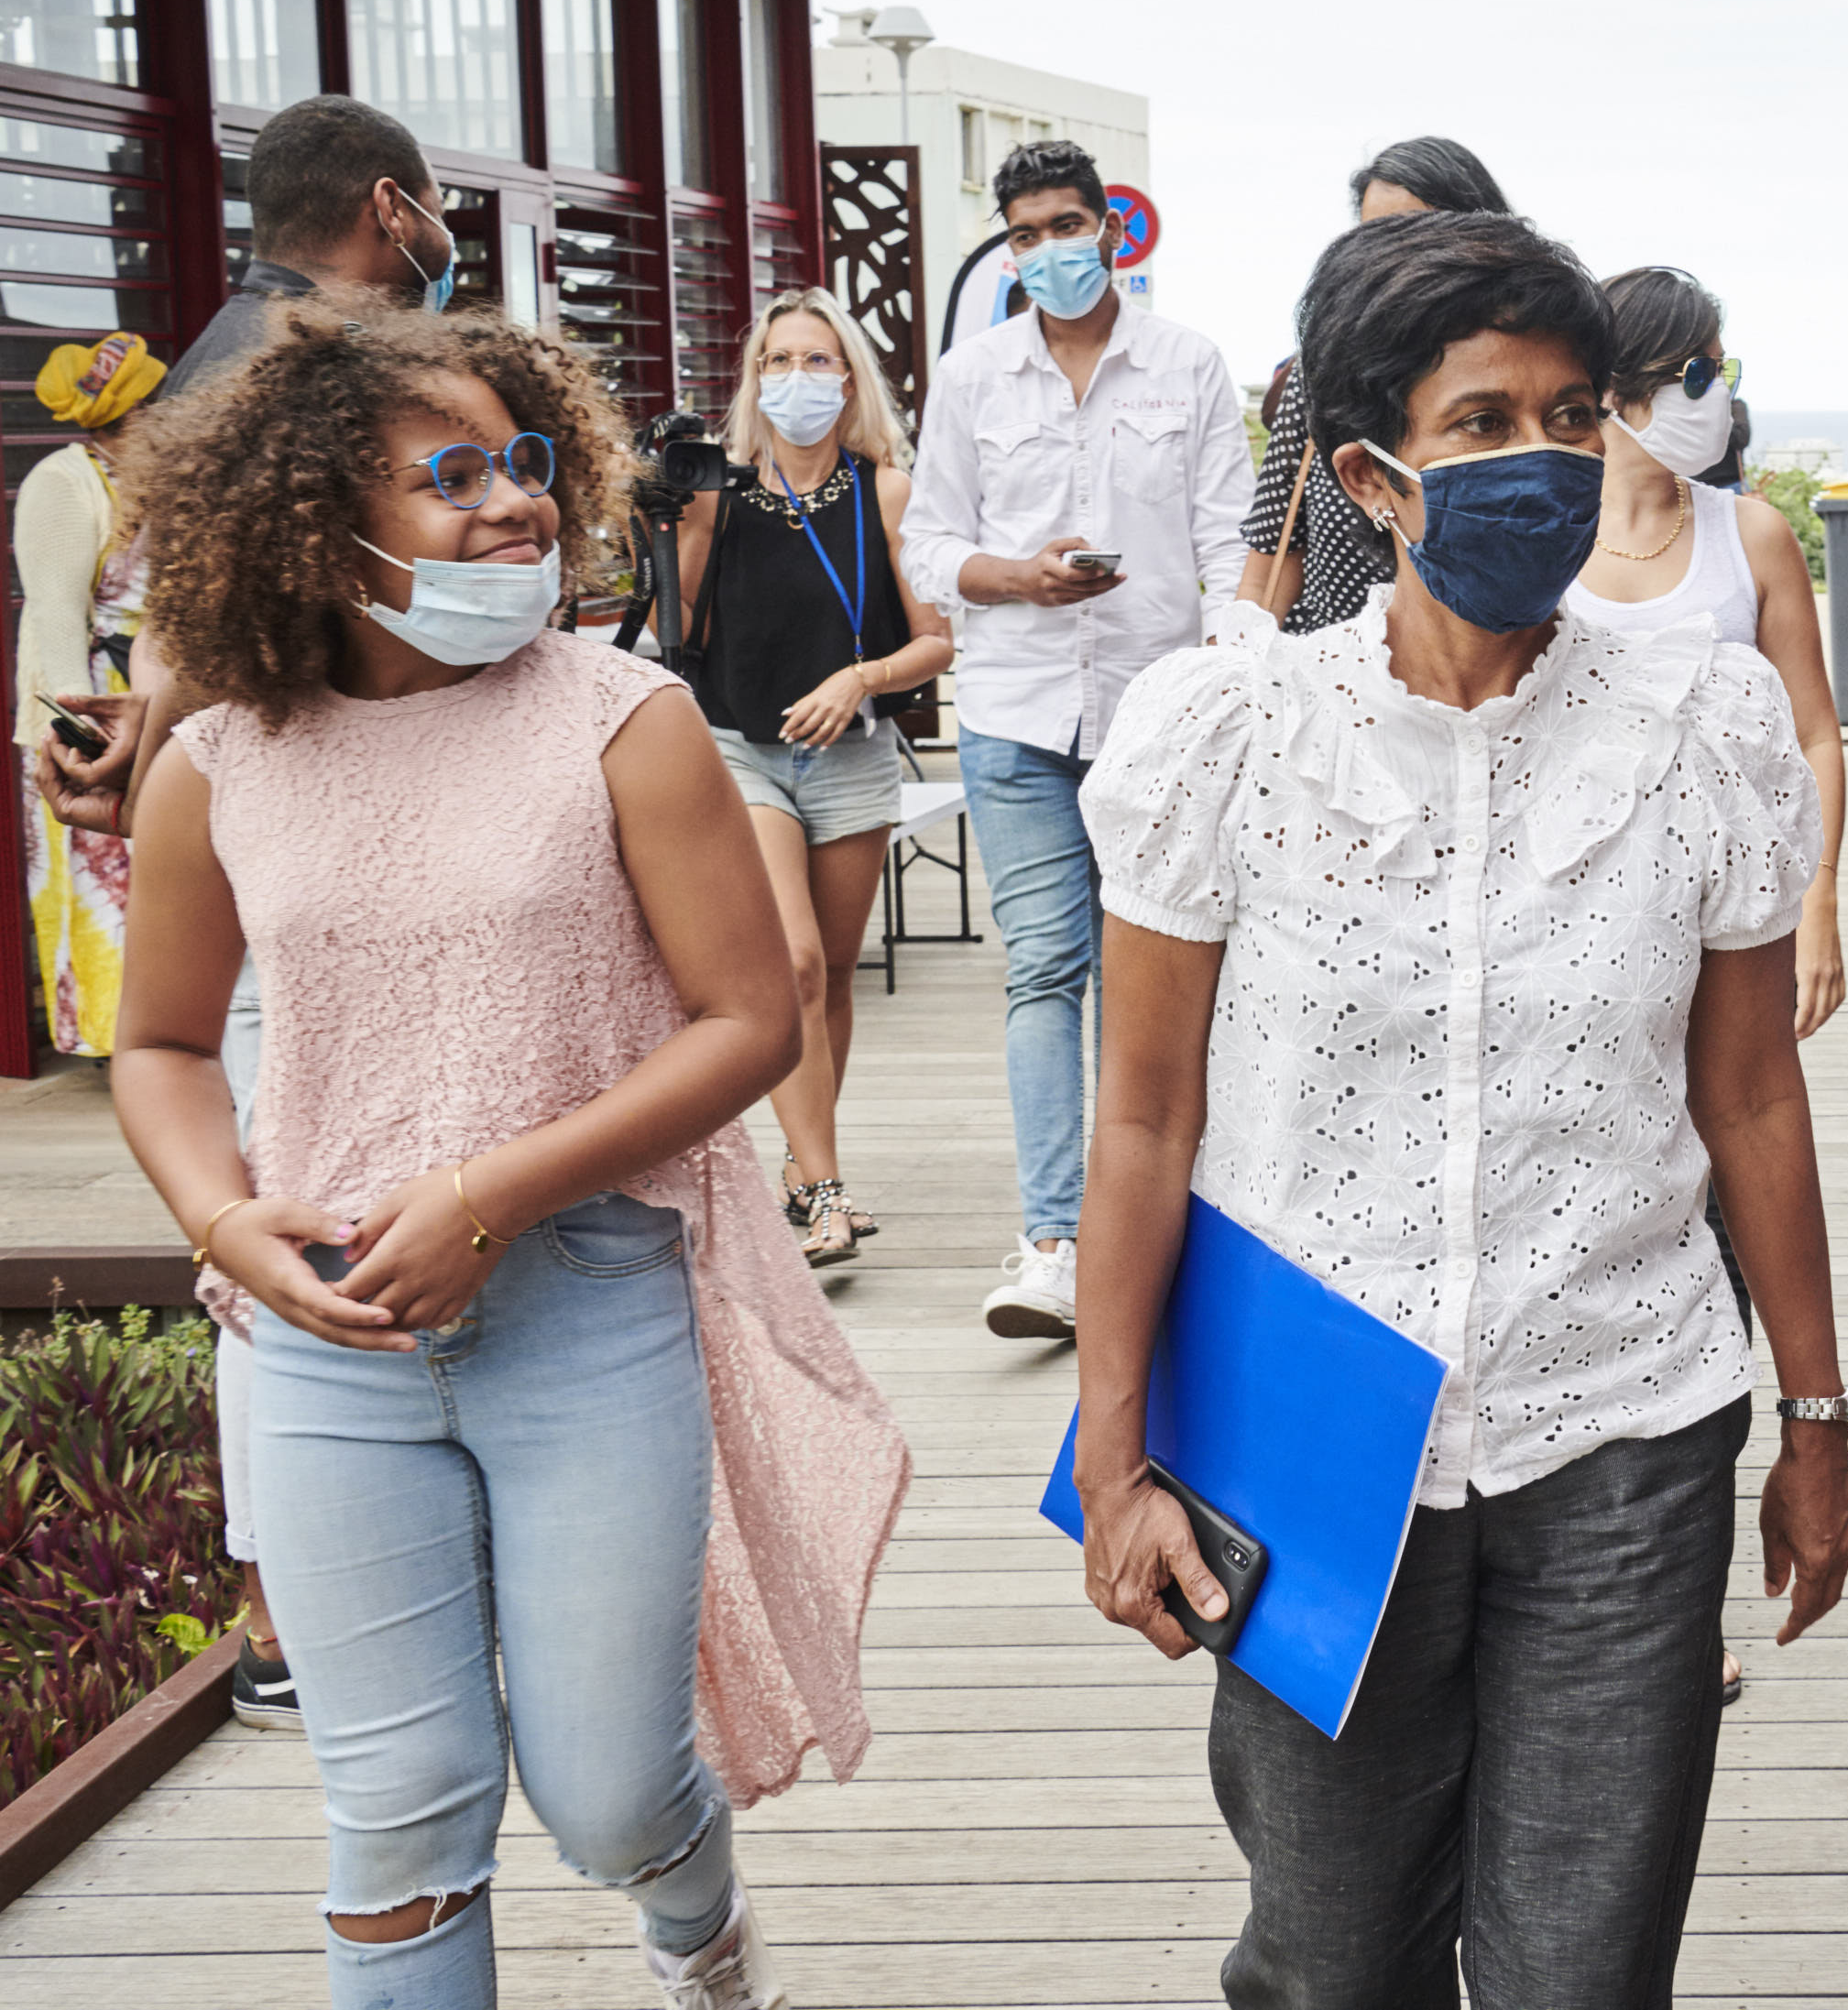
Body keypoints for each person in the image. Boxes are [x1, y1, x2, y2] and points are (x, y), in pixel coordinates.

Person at [1068, 211, 1848, 2004]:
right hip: (1309, 1437)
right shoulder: (1230, 734)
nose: (1543, 461)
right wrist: (1116, 1460)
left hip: (1627, 1416)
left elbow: (1749, 1096)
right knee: (1336, 1958)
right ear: (1374, 470)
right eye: (1484, 422)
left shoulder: (1705, 722)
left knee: (1582, 1969)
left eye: (1575, 417)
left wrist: (1813, 1412)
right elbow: (1140, 1119)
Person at [105, 300, 908, 2009]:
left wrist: (490, 1195)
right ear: (319, 525)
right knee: (399, 1815)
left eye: (524, 461)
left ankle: (697, 1926)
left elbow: (746, 1019)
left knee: (609, 1787)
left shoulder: (621, 718)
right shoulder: (222, 762)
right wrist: (221, 1217)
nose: (514, 505)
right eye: (450, 477)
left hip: (590, 1309)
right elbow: (165, 1045)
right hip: (326, 1344)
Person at [24, 91, 468, 1735]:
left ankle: (305, 1604)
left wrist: (143, 751)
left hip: (258, 845)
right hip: (321, 857)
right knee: (285, 1231)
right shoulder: (326, 376)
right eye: (430, 212)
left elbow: (171, 647)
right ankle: (296, 1612)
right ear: (386, 207)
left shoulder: (213, 358)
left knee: (293, 1214)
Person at [903, 138, 1253, 1340]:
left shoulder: (1188, 364)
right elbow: (929, 544)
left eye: (1065, 225)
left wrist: (1228, 670)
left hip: (1158, 722)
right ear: (1006, 246)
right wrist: (1006, 579)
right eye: (1024, 234)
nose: (1047, 250)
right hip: (1014, 713)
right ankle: (1053, 1239)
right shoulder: (972, 376)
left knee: (1149, 979)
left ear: (1108, 227)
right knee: (1046, 966)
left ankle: (1156, 1230)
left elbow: (1227, 544)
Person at [679, 288, 955, 1265]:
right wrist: (665, 516)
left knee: (832, 969)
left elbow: (936, 642)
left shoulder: (886, 488)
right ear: (755, 379)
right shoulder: (719, 487)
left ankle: (805, 1167)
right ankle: (828, 1192)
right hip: (739, 745)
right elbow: (679, 630)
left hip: (850, 753)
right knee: (790, 961)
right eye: (779, 361)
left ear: (850, 378)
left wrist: (859, 678)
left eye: (818, 360)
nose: (798, 379)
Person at [1567, 266, 1848, 1039]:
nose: (1718, 393)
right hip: (1577, 922)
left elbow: (1816, 733)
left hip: (1737, 916)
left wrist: (1819, 901)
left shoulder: (1753, 534)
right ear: (1615, 389)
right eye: (1699, 372)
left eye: (1723, 371)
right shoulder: (1543, 541)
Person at [1237, 136, 1514, 633]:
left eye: (1417, 231)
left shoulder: (1527, 365)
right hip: (1334, 683)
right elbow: (1271, 562)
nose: (1393, 255)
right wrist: (1236, 675)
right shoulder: (1324, 368)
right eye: (1375, 236)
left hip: (1489, 671)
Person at [14, 333, 162, 1057]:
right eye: (155, 401)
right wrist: (79, 732)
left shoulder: (150, 475)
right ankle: (113, 1038)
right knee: (100, 880)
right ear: (128, 413)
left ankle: (167, 1031)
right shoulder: (63, 482)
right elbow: (55, 612)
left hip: (153, 695)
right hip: (93, 705)